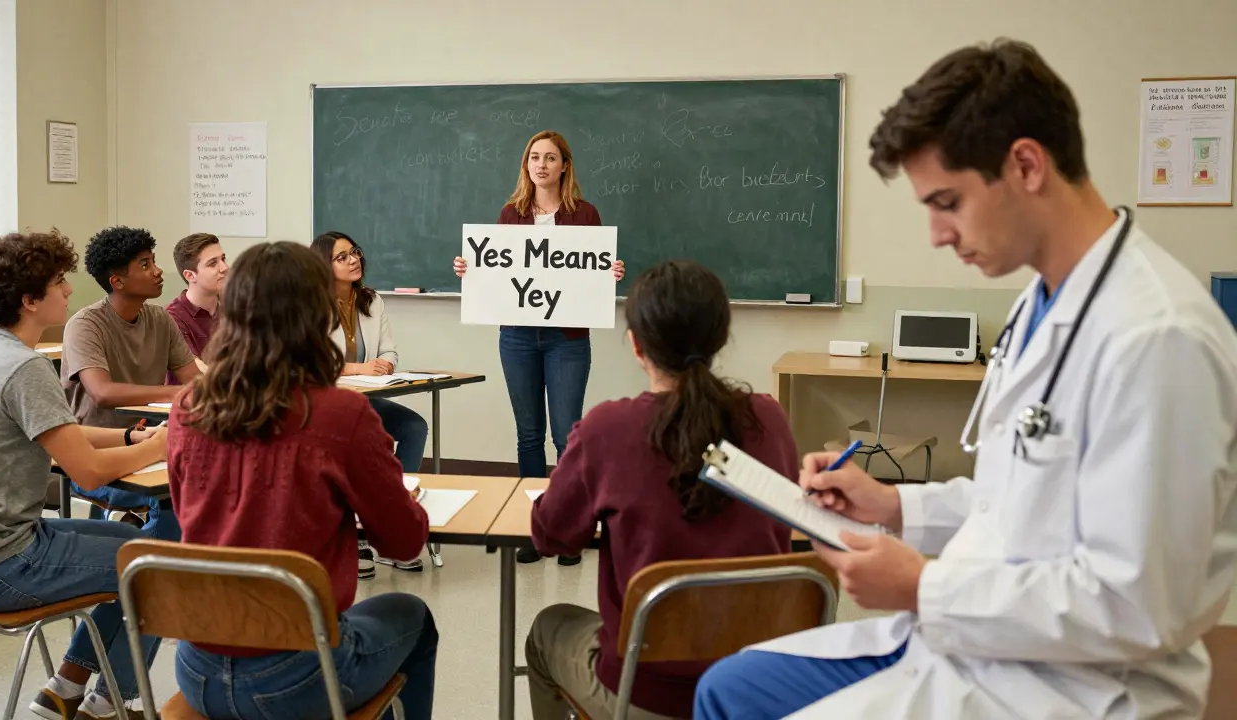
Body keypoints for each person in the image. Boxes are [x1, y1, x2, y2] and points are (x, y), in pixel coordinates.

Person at [694, 39, 1237, 720]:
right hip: (985, 641)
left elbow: (1138, 604)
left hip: (1080, 686)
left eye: (947, 202)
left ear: (1027, 165)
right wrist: (893, 506)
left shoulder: (1157, 339)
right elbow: (1018, 502)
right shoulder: (1043, 299)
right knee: (727, 687)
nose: (935, 234)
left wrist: (925, 587)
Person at [167, 241, 438, 720]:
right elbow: (403, 542)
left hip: (197, 669)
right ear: (317, 315)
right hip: (297, 674)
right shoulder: (340, 413)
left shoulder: (190, 405)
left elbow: (189, 509)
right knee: (413, 619)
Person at [527, 259, 800, 719]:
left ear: (635, 343)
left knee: (546, 630)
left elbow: (552, 536)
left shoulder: (607, 428)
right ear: (720, 337)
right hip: (754, 689)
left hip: (647, 694)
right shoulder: (767, 418)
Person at [0, 230, 167, 720]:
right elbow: (88, 473)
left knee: (136, 547)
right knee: (155, 568)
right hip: (3, 566)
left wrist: (134, 441)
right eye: (58, 282)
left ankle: (70, 691)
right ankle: (114, 703)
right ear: (30, 300)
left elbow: (63, 433)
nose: (70, 290)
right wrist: (160, 445)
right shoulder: (24, 368)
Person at [453, 129, 624, 565]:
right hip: (517, 337)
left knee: (567, 435)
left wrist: (610, 272)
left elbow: (591, 271)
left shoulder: (584, 214)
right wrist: (469, 269)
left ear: (564, 165)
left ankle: (569, 527)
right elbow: (496, 270)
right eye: (534, 157)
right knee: (528, 435)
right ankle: (533, 527)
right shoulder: (511, 214)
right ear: (526, 166)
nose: (541, 164)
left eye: (550, 157)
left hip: (566, 338)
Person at [60, 225, 199, 542]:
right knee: (173, 497)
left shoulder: (160, 319)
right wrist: (178, 392)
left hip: (150, 445)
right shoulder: (86, 324)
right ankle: (151, 570)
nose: (158, 271)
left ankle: (156, 553)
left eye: (154, 260)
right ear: (117, 281)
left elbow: (196, 383)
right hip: (95, 455)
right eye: (145, 264)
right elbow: (102, 393)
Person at [311, 230, 431, 575]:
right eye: (342, 257)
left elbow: (389, 349)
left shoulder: (372, 300)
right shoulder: (309, 304)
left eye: (355, 253)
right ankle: (356, 536)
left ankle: (390, 521)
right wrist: (359, 367)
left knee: (413, 426)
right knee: (358, 442)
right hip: (326, 402)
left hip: (366, 398)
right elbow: (313, 360)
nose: (354, 260)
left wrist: (388, 364)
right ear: (323, 265)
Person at [166, 232, 228, 360]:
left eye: (223, 259)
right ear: (190, 275)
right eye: (212, 263)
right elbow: (193, 369)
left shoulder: (234, 307)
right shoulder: (172, 318)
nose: (225, 268)